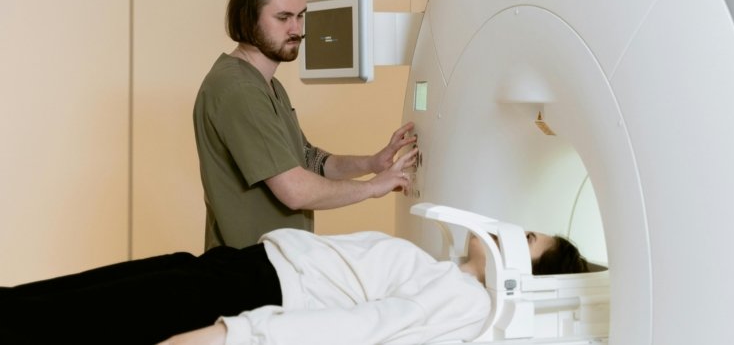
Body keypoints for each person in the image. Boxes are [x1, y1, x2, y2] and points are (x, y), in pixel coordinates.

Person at [0, 228, 587, 345]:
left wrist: (233, 335)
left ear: (525, 272)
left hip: (256, 293)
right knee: (84, 295)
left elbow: (362, 329)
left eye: (525, 237)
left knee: (81, 315)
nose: (507, 230)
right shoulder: (447, 270)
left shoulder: (465, 301)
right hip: (245, 268)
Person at [193, 0, 418, 251]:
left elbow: (309, 160)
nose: (296, 29)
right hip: (252, 266)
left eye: (300, 16)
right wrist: (374, 187)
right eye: (283, 17)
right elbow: (296, 190)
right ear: (248, 19)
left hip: (281, 261)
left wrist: (372, 164)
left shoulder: (269, 86)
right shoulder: (239, 89)